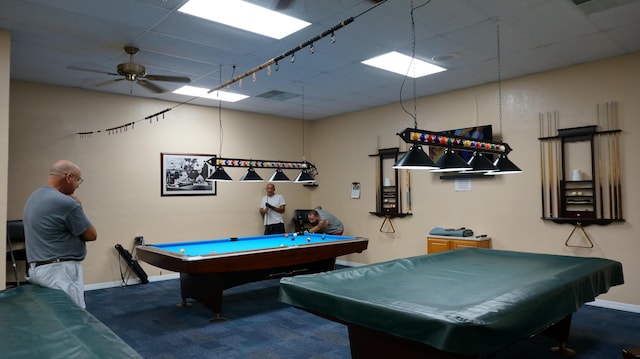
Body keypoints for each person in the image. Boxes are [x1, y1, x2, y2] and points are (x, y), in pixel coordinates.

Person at [23, 160, 97, 308]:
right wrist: (79, 206)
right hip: (60, 272)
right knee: (73, 319)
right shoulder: (66, 203)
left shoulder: (34, 197)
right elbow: (91, 235)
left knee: (56, 320)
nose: (77, 185)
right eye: (78, 180)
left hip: (38, 270)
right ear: (68, 177)